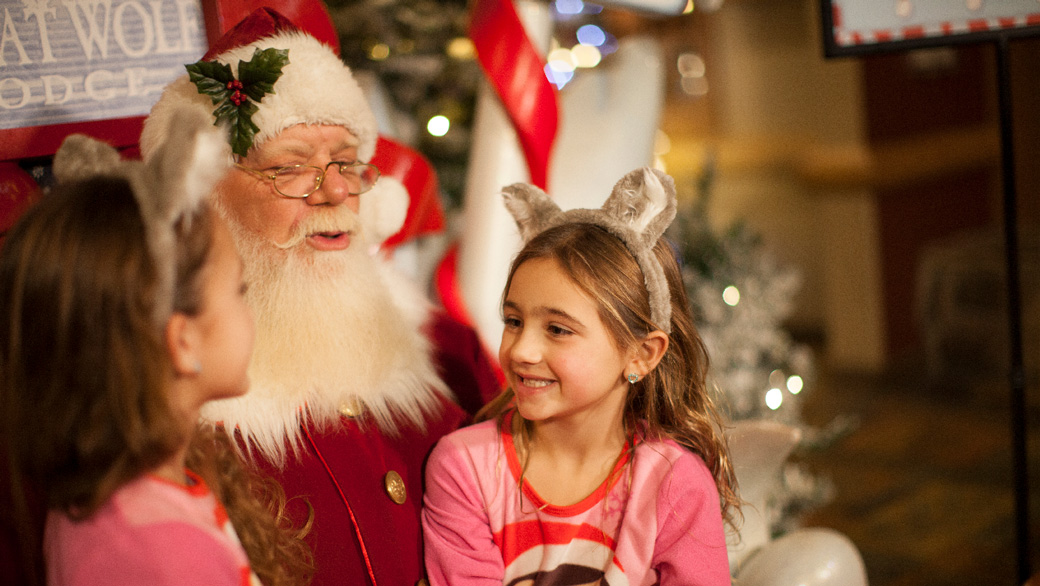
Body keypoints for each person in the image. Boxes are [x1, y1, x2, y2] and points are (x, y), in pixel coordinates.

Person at [139, 8, 500, 586]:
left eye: (346, 164)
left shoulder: (444, 351)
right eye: (290, 168)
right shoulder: (148, 400)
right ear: (204, 199)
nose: (334, 190)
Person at [0, 110, 311, 586]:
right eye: (239, 291)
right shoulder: (166, 555)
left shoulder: (121, 495)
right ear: (183, 342)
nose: (250, 311)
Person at [422, 167, 741, 585]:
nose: (521, 350)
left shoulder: (674, 485)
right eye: (513, 321)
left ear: (642, 355)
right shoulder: (465, 468)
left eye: (558, 329)